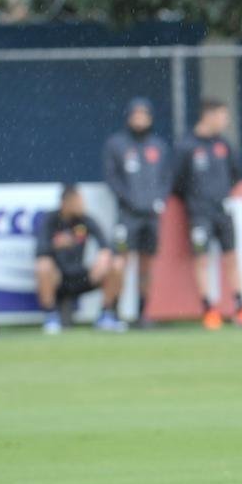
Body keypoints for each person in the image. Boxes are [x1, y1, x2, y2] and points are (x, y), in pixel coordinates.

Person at [173, 98, 242, 330]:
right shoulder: (187, 146)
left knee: (231, 257)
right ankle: (209, 310)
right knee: (202, 259)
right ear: (209, 116)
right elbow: (177, 182)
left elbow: (236, 173)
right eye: (223, 116)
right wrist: (196, 200)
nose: (225, 121)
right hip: (199, 213)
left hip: (223, 211)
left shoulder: (223, 144)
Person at [102, 97, 170, 327]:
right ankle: (112, 311)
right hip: (127, 215)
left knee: (147, 265)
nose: (139, 120)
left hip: (151, 215)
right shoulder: (116, 144)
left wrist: (158, 200)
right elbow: (112, 178)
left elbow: (166, 178)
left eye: (144, 115)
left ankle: (143, 312)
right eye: (135, 115)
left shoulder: (158, 146)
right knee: (119, 262)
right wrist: (129, 200)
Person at [34, 184, 125, 334]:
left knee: (116, 264)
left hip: (82, 277)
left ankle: (106, 315)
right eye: (77, 201)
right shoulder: (50, 220)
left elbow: (106, 245)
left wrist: (104, 256)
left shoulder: (84, 220)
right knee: (43, 265)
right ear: (66, 202)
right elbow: (39, 251)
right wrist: (56, 245)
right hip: (59, 279)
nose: (81, 205)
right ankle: (51, 317)